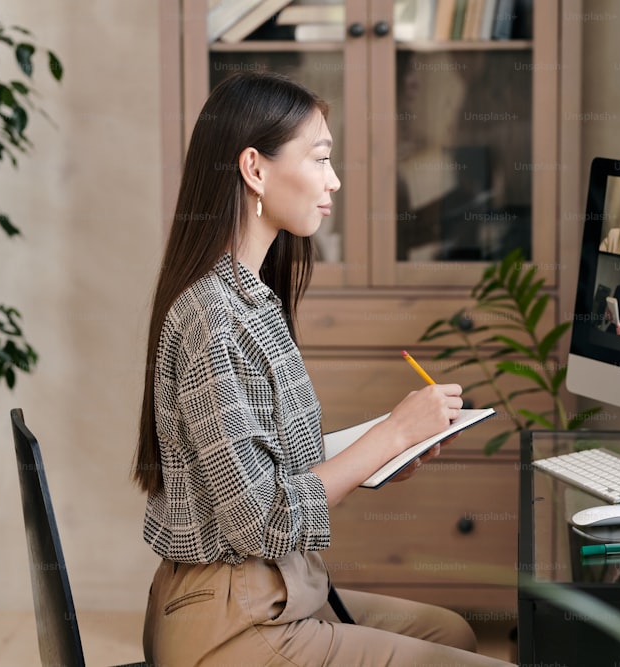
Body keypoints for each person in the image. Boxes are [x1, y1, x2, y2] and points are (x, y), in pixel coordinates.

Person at [132, 72, 514, 667]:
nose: (334, 180)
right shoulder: (212, 316)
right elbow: (262, 519)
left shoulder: (251, 297)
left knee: (453, 634)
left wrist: (385, 452)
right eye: (320, 158)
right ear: (254, 169)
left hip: (274, 589)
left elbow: (271, 468)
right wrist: (392, 433)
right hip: (229, 620)